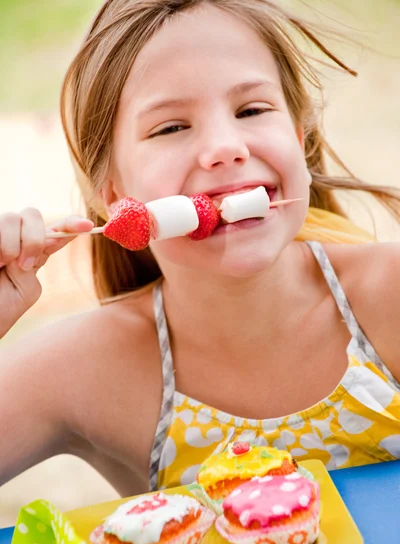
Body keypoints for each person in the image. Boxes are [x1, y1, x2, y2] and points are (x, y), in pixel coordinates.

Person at [0, 0, 399, 499]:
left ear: (298, 139)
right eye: (171, 127)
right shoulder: (85, 367)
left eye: (252, 110)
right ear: (114, 196)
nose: (225, 147)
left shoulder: (390, 295)